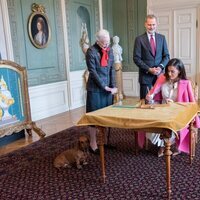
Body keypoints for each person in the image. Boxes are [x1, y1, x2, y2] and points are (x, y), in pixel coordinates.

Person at [139, 58, 200, 157]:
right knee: (152, 124)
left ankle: (169, 145)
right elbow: (153, 94)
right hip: (162, 110)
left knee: (171, 125)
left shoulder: (186, 82)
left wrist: (174, 104)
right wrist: (149, 97)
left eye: (172, 71)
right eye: (168, 70)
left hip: (179, 113)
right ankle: (163, 145)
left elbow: (192, 104)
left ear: (179, 71)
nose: (169, 74)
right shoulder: (162, 78)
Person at [85, 29, 118, 154]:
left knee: (105, 116)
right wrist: (104, 87)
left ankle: (104, 142)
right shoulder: (91, 52)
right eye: (104, 43)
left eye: (108, 42)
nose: (106, 45)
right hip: (95, 90)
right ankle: (93, 144)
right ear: (98, 41)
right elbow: (92, 72)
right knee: (94, 117)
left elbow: (112, 70)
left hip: (107, 90)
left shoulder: (109, 51)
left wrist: (113, 86)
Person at [133, 14, 170, 99]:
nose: (151, 27)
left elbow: (166, 56)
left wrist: (160, 67)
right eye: (149, 24)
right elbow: (136, 58)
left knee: (160, 102)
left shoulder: (162, 38)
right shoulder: (139, 39)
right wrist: (149, 69)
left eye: (153, 24)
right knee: (145, 102)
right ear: (145, 24)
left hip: (160, 76)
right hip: (145, 77)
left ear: (156, 24)